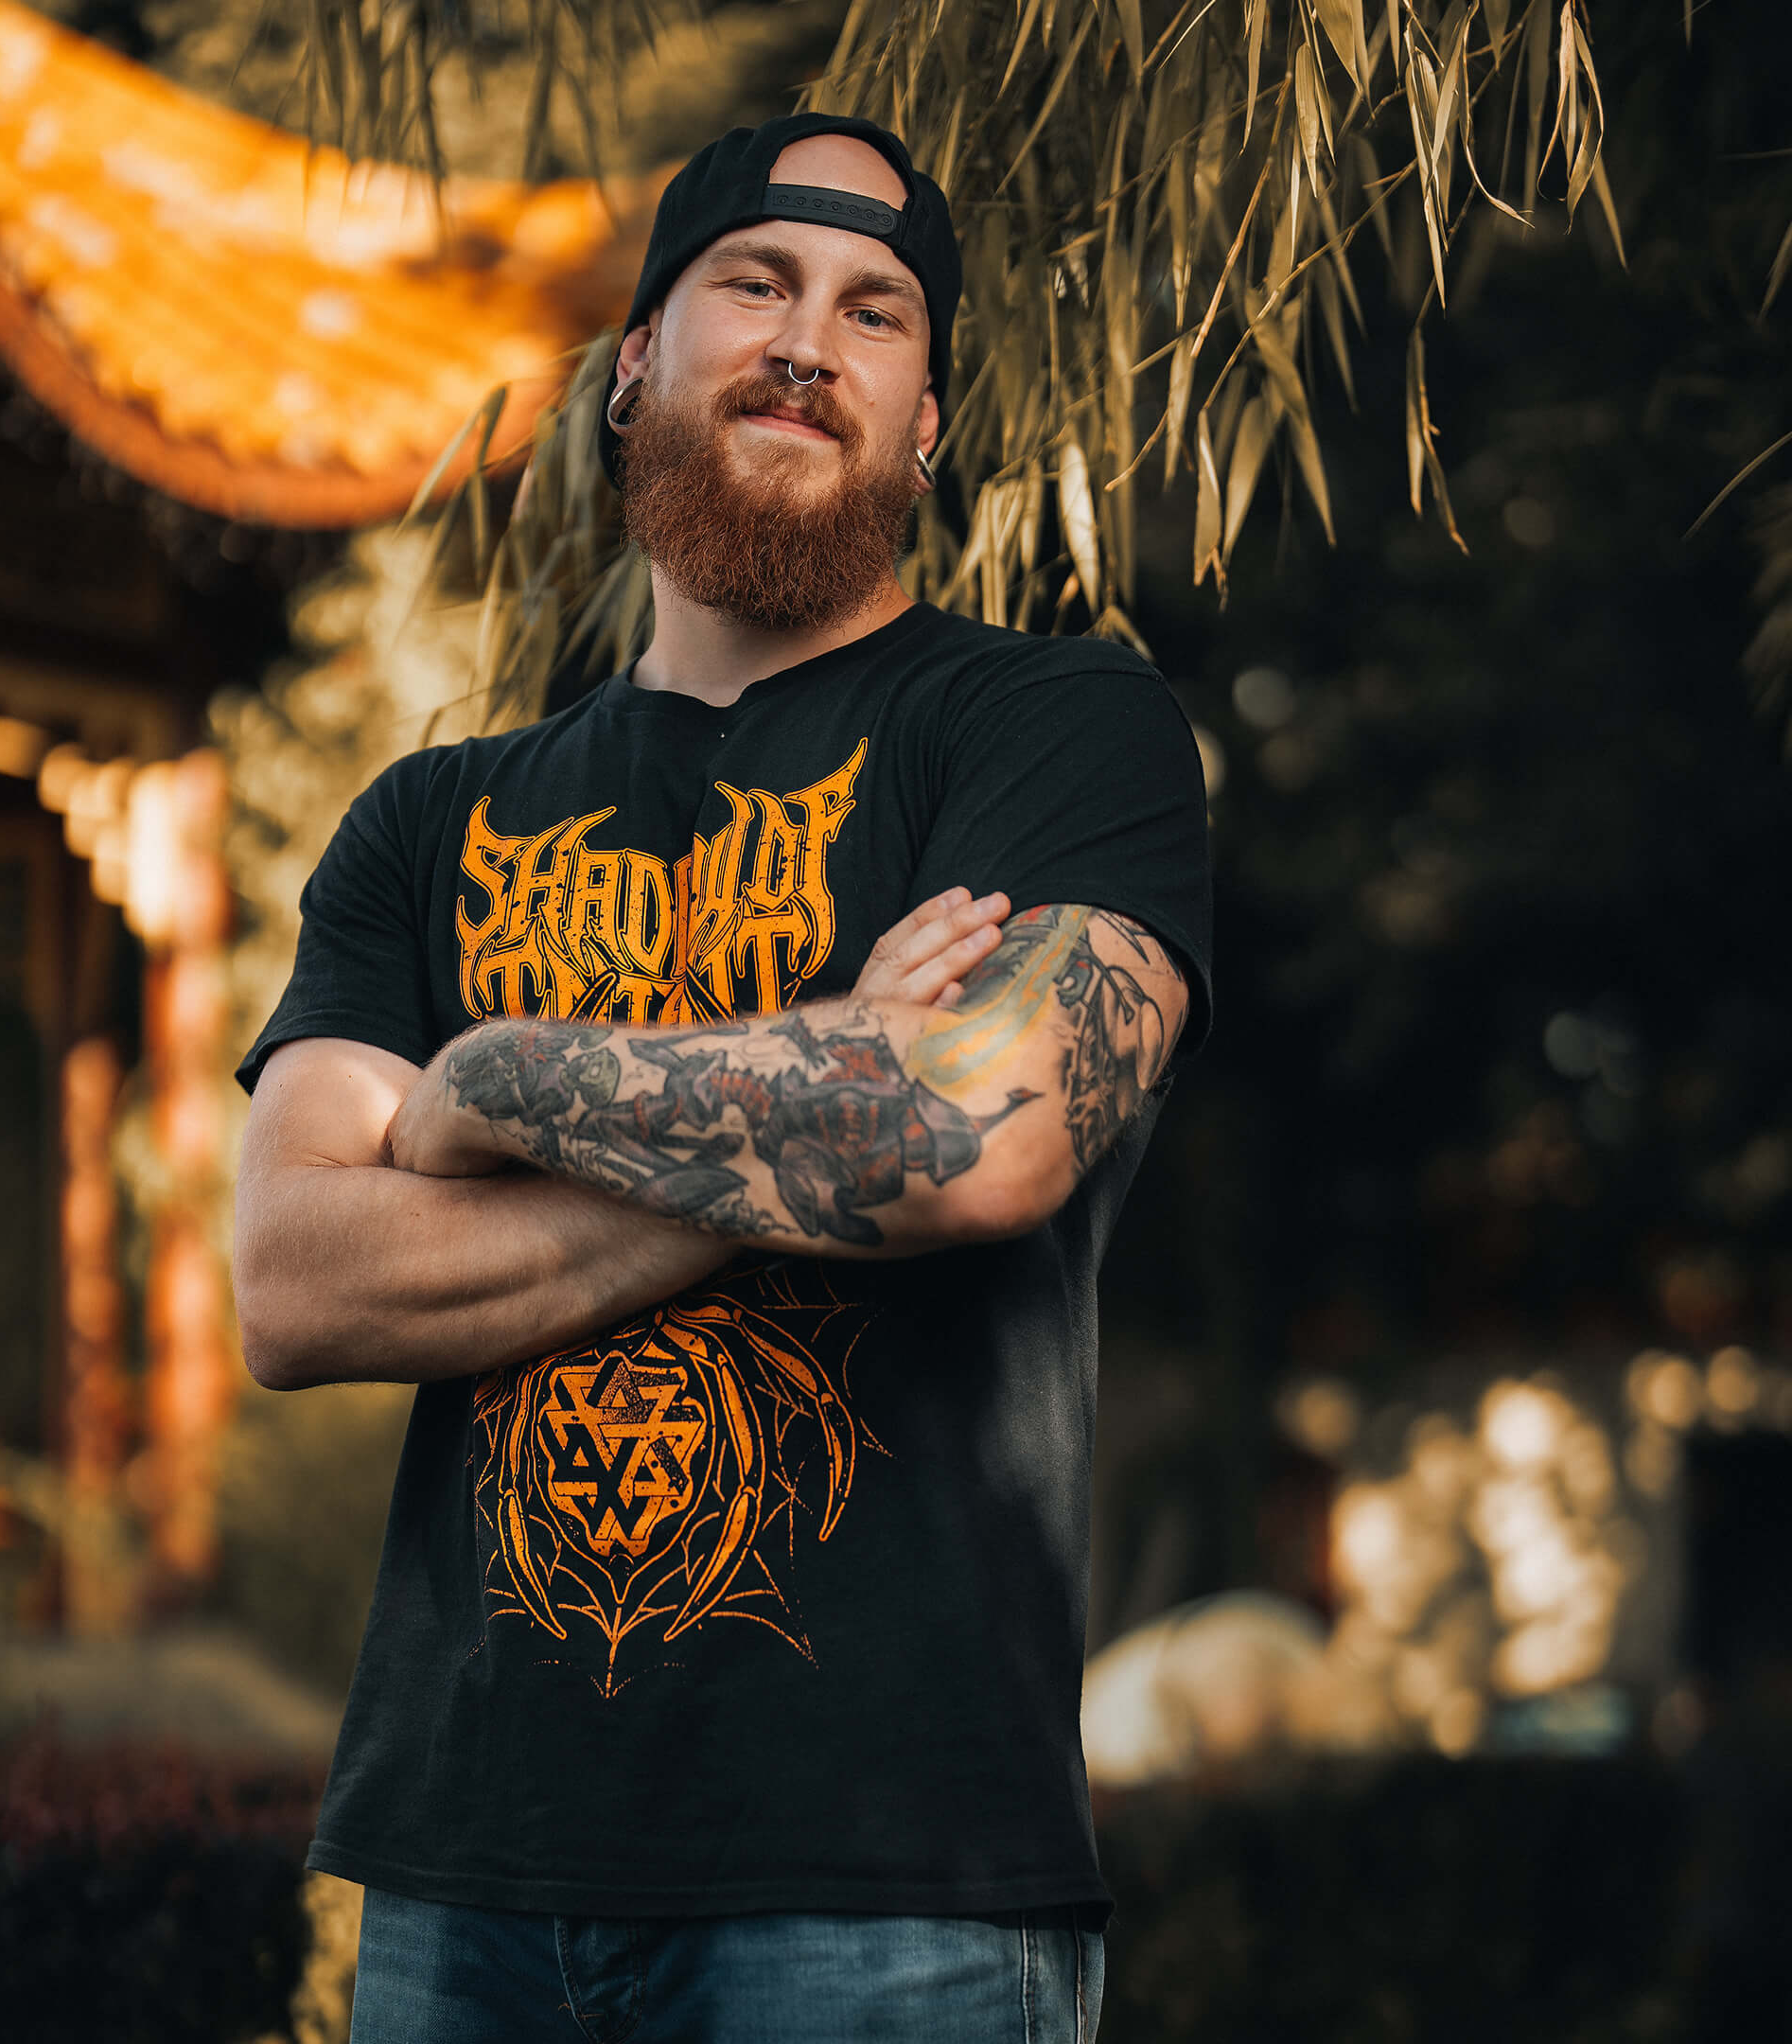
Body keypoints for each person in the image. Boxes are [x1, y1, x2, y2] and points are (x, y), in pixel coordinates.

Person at [232, 111, 1212, 2044]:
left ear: (927, 422)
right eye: (755, 283)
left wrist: (493, 1081)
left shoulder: (1056, 727)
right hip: (464, 1886)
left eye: (875, 312)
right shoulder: (429, 821)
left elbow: (974, 1136)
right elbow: (295, 1279)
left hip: (891, 1901)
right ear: (636, 367)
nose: (807, 343)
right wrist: (837, 1064)